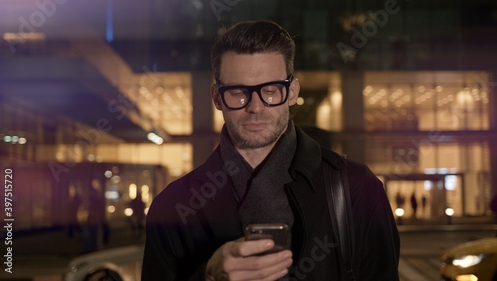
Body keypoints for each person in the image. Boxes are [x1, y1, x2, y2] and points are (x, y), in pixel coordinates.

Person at [142, 20, 400, 281]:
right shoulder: (172, 206)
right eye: (238, 92)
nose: (255, 107)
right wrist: (208, 276)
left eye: (270, 90)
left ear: (291, 92)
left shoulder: (356, 187)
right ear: (217, 97)